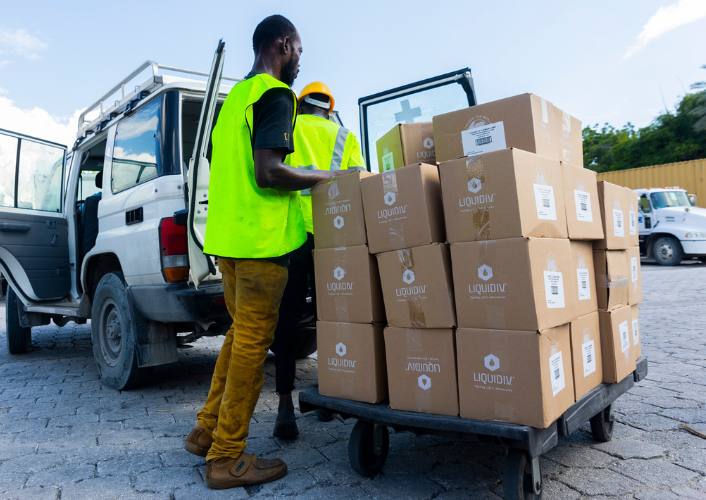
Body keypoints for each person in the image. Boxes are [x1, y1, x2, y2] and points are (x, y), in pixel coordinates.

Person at [183, 15, 335, 490]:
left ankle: (206, 429)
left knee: (237, 337)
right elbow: (269, 172)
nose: (298, 62)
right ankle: (226, 456)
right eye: (299, 51)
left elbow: (226, 166)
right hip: (261, 245)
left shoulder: (233, 104)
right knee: (252, 343)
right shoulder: (275, 95)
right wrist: (318, 176)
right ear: (283, 44)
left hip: (227, 242)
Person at [270, 82, 365, 439]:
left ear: (300, 105)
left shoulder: (289, 128)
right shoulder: (345, 136)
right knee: (330, 314)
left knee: (288, 318)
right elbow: (358, 182)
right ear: (329, 108)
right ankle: (330, 395)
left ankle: (284, 407)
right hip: (332, 234)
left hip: (292, 234)